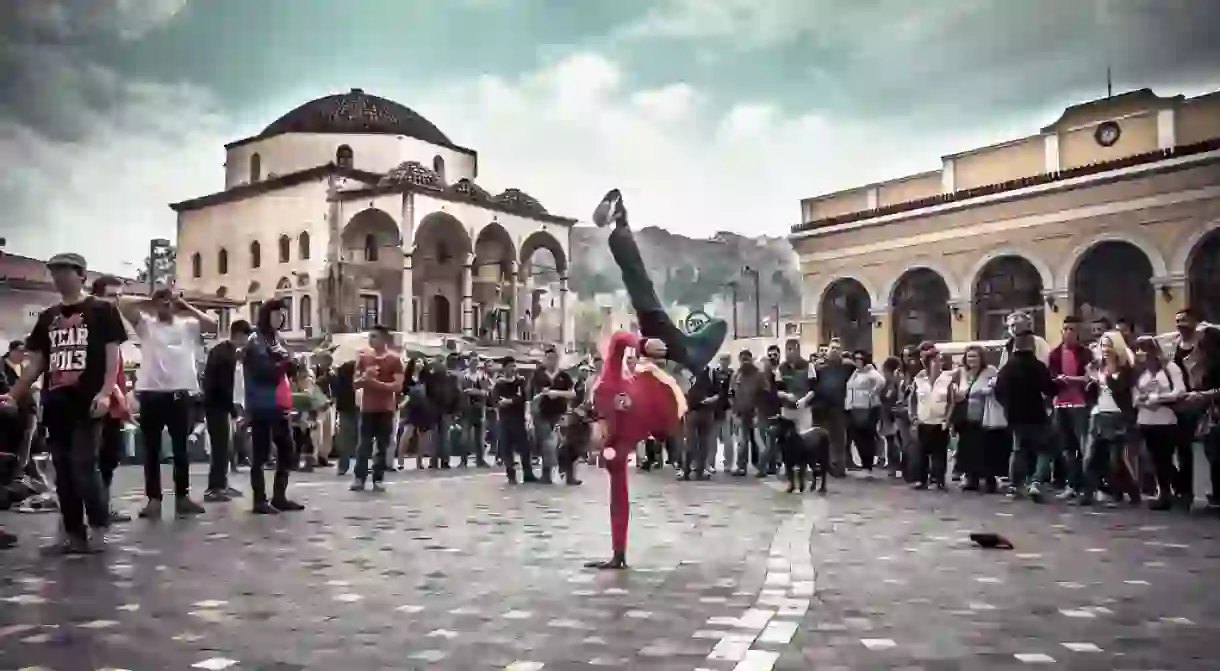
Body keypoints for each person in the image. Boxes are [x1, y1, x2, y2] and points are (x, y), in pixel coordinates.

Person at [0, 253, 126, 553]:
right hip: (56, 403)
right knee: (63, 472)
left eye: (64, 271)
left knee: (84, 466)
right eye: (53, 272)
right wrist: (14, 394)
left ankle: (98, 528)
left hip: (89, 401)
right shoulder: (49, 316)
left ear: (81, 274)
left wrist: (106, 392)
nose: (57, 278)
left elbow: (113, 357)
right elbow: (37, 363)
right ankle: (73, 534)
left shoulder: (103, 310)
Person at [116, 288, 214, 519]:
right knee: (152, 451)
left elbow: (212, 326)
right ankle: (153, 500)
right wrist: (150, 301)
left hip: (179, 395)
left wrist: (184, 305)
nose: (166, 306)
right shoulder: (146, 325)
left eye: (169, 302)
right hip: (151, 394)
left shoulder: (187, 325)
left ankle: (182, 497)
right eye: (162, 302)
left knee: (180, 450)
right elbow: (124, 303)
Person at [242, 299, 305, 514]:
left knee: (287, 449)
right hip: (261, 403)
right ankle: (259, 500)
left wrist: (293, 365)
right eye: (277, 314)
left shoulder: (279, 339)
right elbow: (262, 372)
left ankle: (279, 496)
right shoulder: (255, 341)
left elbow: (289, 365)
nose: (281, 318)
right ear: (266, 315)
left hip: (279, 403)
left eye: (283, 315)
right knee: (260, 454)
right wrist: (285, 365)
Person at [1159, 307, 1220, 508]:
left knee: (1213, 449)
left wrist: (1204, 395)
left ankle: (1216, 495)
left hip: (1207, 402)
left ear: (1195, 322)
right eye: (1177, 320)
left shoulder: (1207, 346)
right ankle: (1184, 492)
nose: (1179, 324)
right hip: (1183, 402)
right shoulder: (1174, 344)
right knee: (1182, 449)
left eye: (1184, 320)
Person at [1077, 331, 1139, 506]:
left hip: (1118, 415)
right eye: (1103, 345)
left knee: (1115, 460)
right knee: (1091, 457)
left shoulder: (1125, 368)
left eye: (1109, 345)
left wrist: (1106, 376)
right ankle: (1087, 493)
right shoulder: (1099, 366)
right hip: (1098, 414)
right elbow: (1093, 386)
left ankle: (1132, 491)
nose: (1105, 349)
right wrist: (1094, 378)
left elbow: (1120, 389)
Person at [1132, 337, 1186, 510]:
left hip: (1166, 419)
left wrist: (1158, 398)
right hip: (1145, 419)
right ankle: (1163, 492)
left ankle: (1177, 490)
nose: (1139, 353)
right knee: (1151, 459)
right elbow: (1135, 395)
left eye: (1143, 349)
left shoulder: (1169, 368)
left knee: (1164, 458)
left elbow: (1180, 391)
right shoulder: (1140, 371)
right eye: (1137, 349)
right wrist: (1141, 399)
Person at [202, 319, 252, 502]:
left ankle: (221, 484)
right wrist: (232, 408)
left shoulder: (223, 351)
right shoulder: (225, 354)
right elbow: (223, 385)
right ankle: (215, 487)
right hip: (217, 406)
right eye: (246, 336)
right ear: (239, 334)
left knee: (223, 447)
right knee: (220, 448)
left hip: (217, 405)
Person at [351, 325, 405, 492]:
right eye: (370, 336)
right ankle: (359, 478)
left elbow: (397, 386)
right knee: (363, 446)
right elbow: (355, 384)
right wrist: (365, 377)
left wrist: (376, 383)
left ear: (383, 339)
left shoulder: (395, 360)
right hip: (367, 409)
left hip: (386, 409)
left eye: (374, 336)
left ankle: (378, 479)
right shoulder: (364, 358)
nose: (370, 339)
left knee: (382, 445)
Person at [1048, 315, 1094, 501]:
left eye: (1072, 329)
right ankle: (1071, 484)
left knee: (1085, 447)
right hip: (1061, 404)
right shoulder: (1055, 354)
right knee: (1067, 448)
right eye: (1065, 329)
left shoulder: (1086, 354)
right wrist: (1057, 381)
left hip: (1080, 404)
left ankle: (1088, 486)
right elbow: (1050, 377)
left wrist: (1071, 380)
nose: (1068, 333)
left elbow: (1090, 378)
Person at [909, 342, 954, 490]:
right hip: (923, 420)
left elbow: (951, 401)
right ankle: (920, 479)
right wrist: (913, 417)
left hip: (939, 421)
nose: (936, 363)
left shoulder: (947, 379)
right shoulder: (919, 379)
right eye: (932, 361)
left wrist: (948, 419)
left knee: (939, 453)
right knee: (920, 452)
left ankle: (937, 479)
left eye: (938, 360)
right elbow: (913, 400)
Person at [530, 346, 577, 483]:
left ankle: (569, 475)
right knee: (547, 443)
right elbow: (532, 394)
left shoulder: (564, 375)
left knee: (566, 444)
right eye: (548, 358)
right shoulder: (538, 375)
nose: (551, 361)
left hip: (560, 413)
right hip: (542, 414)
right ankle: (546, 474)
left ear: (558, 359)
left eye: (554, 358)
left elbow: (572, 393)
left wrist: (556, 393)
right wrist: (540, 396)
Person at [844, 350, 884, 475]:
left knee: (867, 437)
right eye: (855, 358)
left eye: (860, 359)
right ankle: (864, 462)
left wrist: (872, 393)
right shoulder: (855, 373)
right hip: (854, 407)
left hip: (867, 408)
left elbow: (881, 382)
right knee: (857, 437)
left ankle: (868, 465)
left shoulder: (870, 372)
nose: (857, 361)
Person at [492, 356, 530, 483]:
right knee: (506, 448)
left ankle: (528, 473)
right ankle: (511, 475)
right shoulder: (499, 383)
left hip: (519, 419)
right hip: (505, 420)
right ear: (504, 368)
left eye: (514, 366)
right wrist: (511, 401)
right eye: (510, 366)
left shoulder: (520, 381)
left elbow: (523, 398)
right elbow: (497, 401)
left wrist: (509, 401)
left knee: (524, 447)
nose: (513, 369)